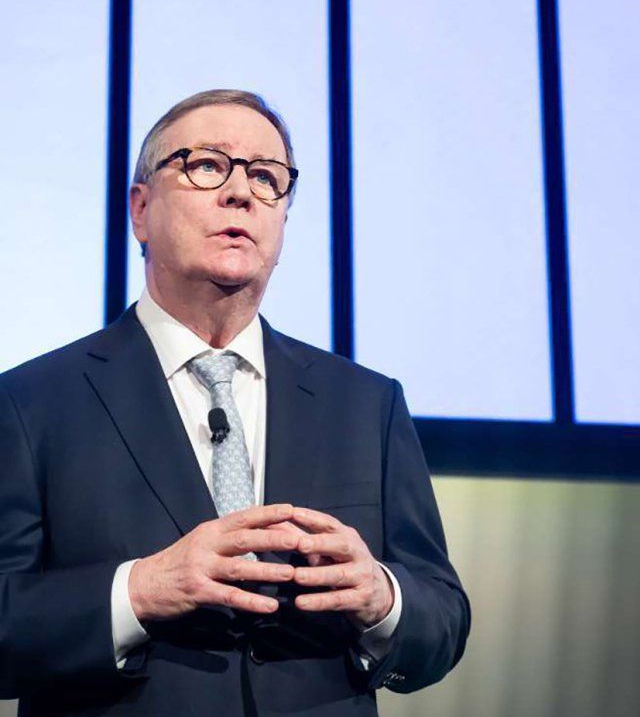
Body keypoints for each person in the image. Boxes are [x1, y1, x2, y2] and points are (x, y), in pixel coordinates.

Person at [0, 90, 470, 716]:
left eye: (266, 177)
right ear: (141, 209)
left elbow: (442, 621)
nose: (241, 193)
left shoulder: (367, 403)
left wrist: (383, 598)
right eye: (206, 166)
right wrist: (138, 592)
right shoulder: (29, 403)